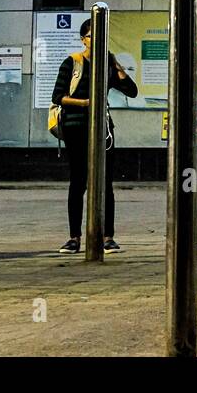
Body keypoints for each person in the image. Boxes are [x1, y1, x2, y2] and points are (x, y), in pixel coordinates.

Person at [52, 19, 138, 254]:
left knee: (105, 182)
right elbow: (58, 96)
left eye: (102, 36)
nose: (97, 40)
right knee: (78, 181)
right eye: (93, 36)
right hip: (76, 127)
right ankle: (74, 237)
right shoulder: (73, 63)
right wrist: (86, 104)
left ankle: (107, 236)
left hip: (103, 129)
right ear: (83, 39)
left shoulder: (108, 65)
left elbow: (132, 90)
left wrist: (116, 64)